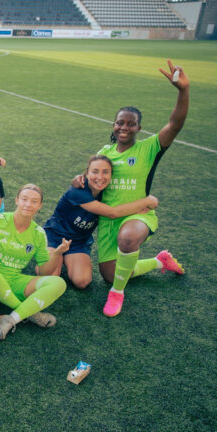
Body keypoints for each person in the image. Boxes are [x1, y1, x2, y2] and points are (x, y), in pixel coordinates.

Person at [76, 61, 188, 317]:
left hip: (138, 214)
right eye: (120, 123)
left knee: (127, 241)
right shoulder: (104, 152)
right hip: (108, 219)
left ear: (139, 128)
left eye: (130, 124)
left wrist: (183, 91)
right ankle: (160, 261)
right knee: (110, 274)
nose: (124, 128)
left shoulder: (149, 148)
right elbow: (91, 179)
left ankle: (117, 294)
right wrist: (79, 178)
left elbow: (175, 124)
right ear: (114, 125)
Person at [44, 156, 160, 289]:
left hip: (78, 243)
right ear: (87, 173)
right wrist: (147, 201)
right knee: (50, 277)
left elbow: (121, 206)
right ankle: (56, 254)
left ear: (111, 175)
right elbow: (113, 213)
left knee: (82, 282)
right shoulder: (77, 191)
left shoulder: (108, 193)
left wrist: (138, 208)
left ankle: (157, 261)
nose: (100, 177)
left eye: (105, 172)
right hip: (55, 236)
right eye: (95, 171)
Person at [0, 184, 69, 340]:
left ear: (40, 206)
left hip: (13, 280)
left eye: (34, 201)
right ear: (17, 200)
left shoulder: (38, 233)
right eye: (24, 199)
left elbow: (44, 271)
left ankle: (11, 319)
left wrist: (57, 254)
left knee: (59, 283)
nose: (28, 204)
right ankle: (31, 313)